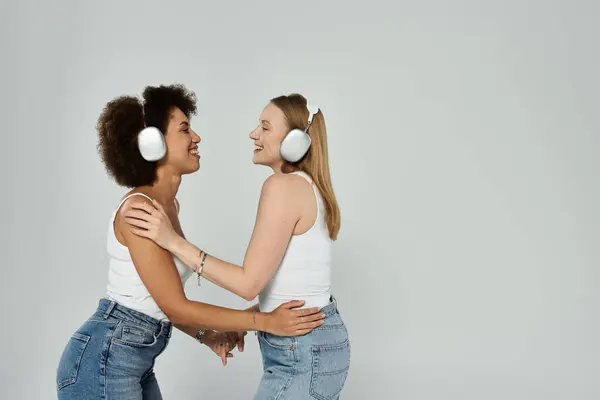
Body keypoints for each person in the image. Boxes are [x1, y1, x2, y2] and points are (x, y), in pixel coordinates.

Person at [56, 85, 326, 400]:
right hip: (103, 361)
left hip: (129, 362)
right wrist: (265, 322)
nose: (196, 137)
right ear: (152, 144)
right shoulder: (139, 210)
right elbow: (175, 306)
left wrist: (205, 335)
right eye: (185, 129)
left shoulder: (167, 208)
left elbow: (157, 298)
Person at [125, 93, 351, 399]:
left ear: (295, 141)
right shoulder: (306, 186)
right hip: (318, 347)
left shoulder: (282, 187)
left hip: (302, 353)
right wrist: (252, 319)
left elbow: (248, 283)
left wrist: (172, 241)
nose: (253, 134)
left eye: (265, 127)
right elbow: (296, 287)